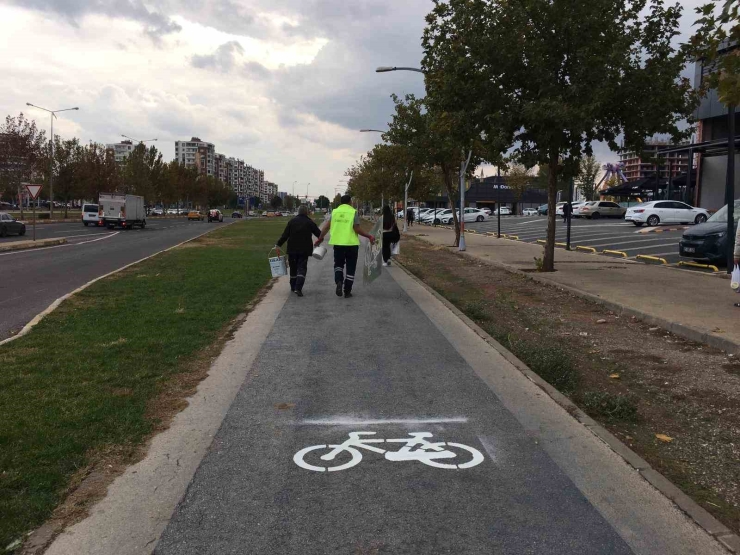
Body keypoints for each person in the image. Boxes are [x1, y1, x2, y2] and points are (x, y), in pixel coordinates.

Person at [315, 195, 375, 298]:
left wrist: (320, 238)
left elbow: (326, 227)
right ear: (350, 202)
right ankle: (347, 291)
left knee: (338, 265)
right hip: (351, 245)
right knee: (351, 268)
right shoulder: (353, 212)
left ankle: (339, 281)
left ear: (341, 202)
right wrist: (369, 236)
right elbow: (356, 229)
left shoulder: (335, 212)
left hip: (338, 244)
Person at [275, 205, 321, 297]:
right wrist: (318, 242)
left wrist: (278, 244)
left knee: (293, 268)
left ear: (298, 212)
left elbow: (285, 235)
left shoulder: (292, 221)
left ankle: (293, 286)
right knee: (302, 268)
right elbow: (319, 234)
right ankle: (298, 288)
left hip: (292, 249)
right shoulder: (309, 222)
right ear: (306, 212)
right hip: (304, 249)